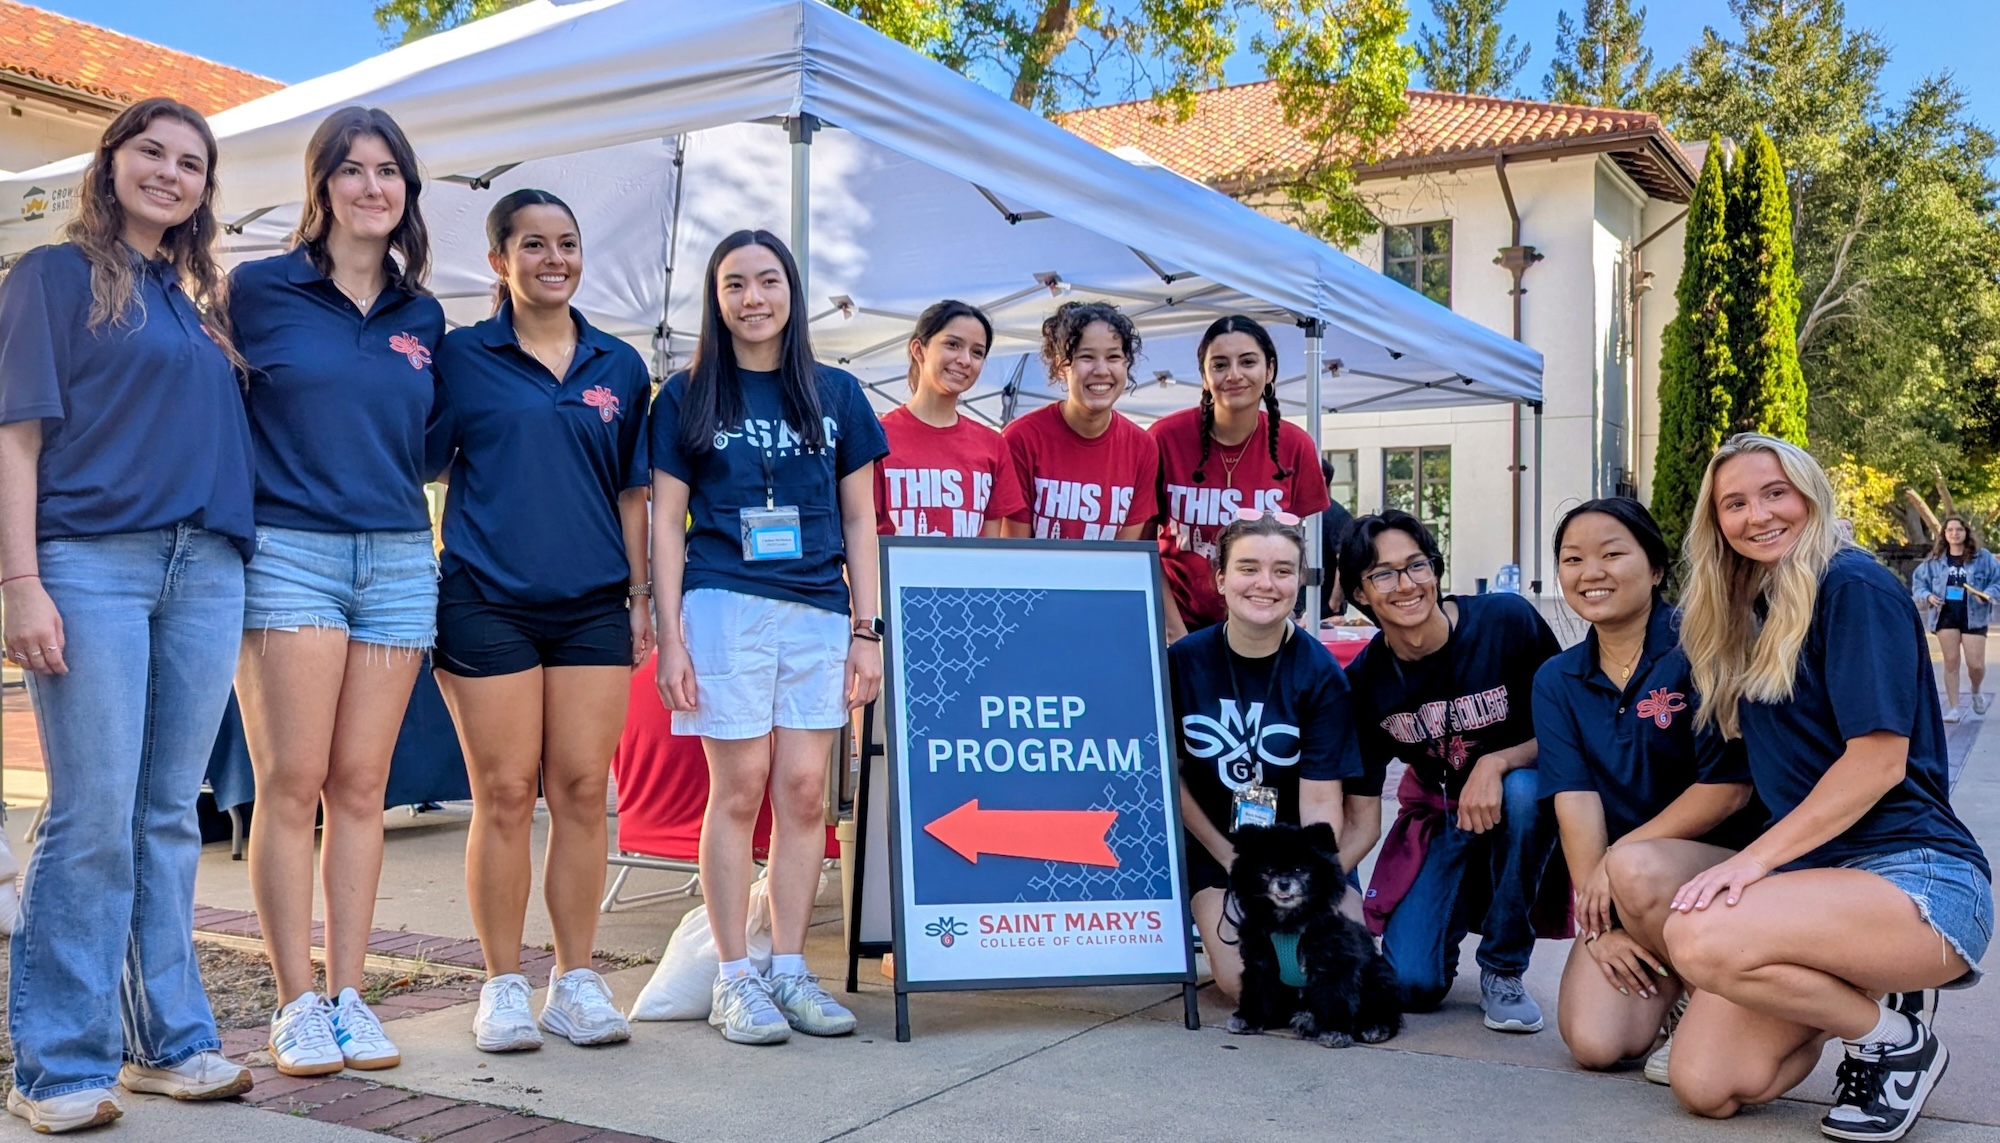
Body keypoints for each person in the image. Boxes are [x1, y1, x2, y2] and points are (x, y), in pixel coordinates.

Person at [1607, 434, 1991, 1142]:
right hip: (1817, 880)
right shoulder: (1744, 608)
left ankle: (1891, 1038)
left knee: (1699, 931)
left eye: (1774, 492)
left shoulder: (1853, 585)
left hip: (1918, 878)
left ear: (1809, 493)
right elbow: (1734, 776)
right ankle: (1862, 992)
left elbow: (1876, 762)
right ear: (1714, 520)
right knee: (1706, 1083)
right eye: (1735, 502)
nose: (1758, 514)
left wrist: (1749, 862)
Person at [0, 98, 257, 1132]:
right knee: (92, 815)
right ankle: (59, 1066)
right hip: (91, 563)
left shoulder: (194, 304)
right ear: (108, 165)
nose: (170, 172)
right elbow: (15, 440)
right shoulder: (50, 278)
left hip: (205, 568)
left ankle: (172, 1043)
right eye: (150, 151)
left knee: (166, 817)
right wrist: (19, 581)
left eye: (191, 162)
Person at [229, 106, 444, 1077]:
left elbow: (436, 443)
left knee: (363, 789)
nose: (371, 187)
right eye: (351, 170)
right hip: (289, 553)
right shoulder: (257, 289)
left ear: (406, 189)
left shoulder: (423, 315)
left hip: (400, 558)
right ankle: (294, 1002)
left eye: (387, 171)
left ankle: (351, 995)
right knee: (293, 785)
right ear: (321, 185)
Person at [429, 189, 653, 1053]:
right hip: (486, 598)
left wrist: (639, 600)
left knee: (585, 792)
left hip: (594, 603)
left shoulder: (619, 365)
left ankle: (577, 978)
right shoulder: (460, 357)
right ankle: (501, 984)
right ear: (499, 261)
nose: (552, 258)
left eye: (566, 242)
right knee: (507, 792)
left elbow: (634, 493)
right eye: (532, 244)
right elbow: (420, 456)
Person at [651, 230, 887, 1045]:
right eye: (734, 284)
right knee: (741, 785)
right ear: (715, 301)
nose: (753, 298)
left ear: (792, 289)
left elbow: (861, 518)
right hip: (724, 605)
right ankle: (732, 976)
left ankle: (788, 967)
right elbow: (666, 523)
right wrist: (671, 635)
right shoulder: (685, 395)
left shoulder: (840, 394)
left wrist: (868, 628)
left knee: (804, 793)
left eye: (767, 280)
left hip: (820, 611)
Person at [1532, 497, 1761, 1080]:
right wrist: (1598, 925)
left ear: (1656, 567)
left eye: (1613, 554)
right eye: (1573, 559)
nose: (1591, 573)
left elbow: (1728, 789)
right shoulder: (1558, 679)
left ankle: (1714, 988)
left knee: (1638, 866)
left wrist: (1617, 861)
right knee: (1596, 1042)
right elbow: (1573, 796)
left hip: (1724, 871)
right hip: (1632, 886)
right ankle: (1681, 988)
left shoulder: (1703, 646)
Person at [1338, 510, 1563, 1031]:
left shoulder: (1506, 622)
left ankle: (1503, 968)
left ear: (1436, 571)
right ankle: (1451, 913)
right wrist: (1326, 892)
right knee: (1410, 986)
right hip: (1443, 818)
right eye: (1383, 574)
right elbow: (1361, 811)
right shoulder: (1366, 682)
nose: (1406, 584)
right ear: (1360, 595)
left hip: (1521, 809)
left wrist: (1500, 761)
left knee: (1525, 792)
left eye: (1417, 565)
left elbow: (1567, 731)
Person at [1170, 510, 1366, 1000]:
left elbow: (1322, 802)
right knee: (1250, 987)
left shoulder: (1321, 674)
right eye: (1248, 568)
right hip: (1218, 847)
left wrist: (1305, 891)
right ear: (1220, 579)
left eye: (1282, 571)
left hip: (1301, 857)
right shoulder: (1182, 663)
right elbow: (1171, 780)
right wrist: (1231, 862)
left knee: (1338, 975)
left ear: (1300, 580)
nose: (1265, 584)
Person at [1152, 316, 1330, 640]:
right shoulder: (1164, 438)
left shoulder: (1296, 446)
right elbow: (1143, 544)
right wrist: (1174, 632)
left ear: (1270, 370)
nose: (1234, 375)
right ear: (1204, 377)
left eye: (1247, 361)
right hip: (1178, 628)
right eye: (1220, 364)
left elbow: (1291, 550)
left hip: (1260, 630)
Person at [1001, 301, 1159, 542]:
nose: (1101, 370)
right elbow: (1015, 552)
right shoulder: (1021, 438)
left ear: (1126, 364)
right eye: (1086, 357)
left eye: (1114, 357)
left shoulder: (1142, 447)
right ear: (1061, 365)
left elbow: (1125, 557)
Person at [873, 300, 1027, 538]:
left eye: (977, 352)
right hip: (895, 575)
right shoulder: (876, 438)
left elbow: (992, 547)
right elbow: (857, 533)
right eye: (953, 344)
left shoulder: (993, 444)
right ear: (918, 350)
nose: (965, 360)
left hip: (971, 576)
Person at [1911, 514, 1999, 723]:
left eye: (1958, 529)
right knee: (1951, 662)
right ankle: (1953, 708)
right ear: (1944, 534)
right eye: (1949, 530)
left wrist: (1987, 594)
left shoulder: (1982, 557)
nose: (1954, 533)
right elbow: (1918, 585)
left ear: (1966, 532)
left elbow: (1997, 581)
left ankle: (1976, 690)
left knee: (1975, 664)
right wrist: (1928, 596)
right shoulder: (1935, 560)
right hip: (1945, 615)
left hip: (1974, 615)